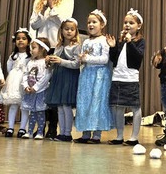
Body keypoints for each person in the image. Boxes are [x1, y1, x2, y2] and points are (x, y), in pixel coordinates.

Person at [29, 0, 74, 138]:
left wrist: (53, 7)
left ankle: (53, 127)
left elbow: (65, 22)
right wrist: (43, 10)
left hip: (58, 47)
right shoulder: (39, 1)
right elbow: (34, 25)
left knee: (53, 87)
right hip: (42, 47)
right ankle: (40, 125)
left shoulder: (67, 1)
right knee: (41, 86)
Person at [106, 9, 145, 146]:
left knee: (135, 107)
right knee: (117, 107)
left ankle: (134, 137)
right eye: (125, 22)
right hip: (117, 77)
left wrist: (130, 42)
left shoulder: (140, 41)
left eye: (131, 23)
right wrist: (112, 47)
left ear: (138, 26)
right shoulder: (120, 40)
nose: (127, 25)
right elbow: (113, 59)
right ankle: (119, 135)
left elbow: (138, 57)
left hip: (131, 79)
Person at [74, 10, 112, 144]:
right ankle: (85, 133)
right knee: (84, 103)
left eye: (94, 22)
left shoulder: (104, 40)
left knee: (97, 103)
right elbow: (84, 57)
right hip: (86, 75)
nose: (90, 24)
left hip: (99, 75)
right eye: (89, 22)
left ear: (102, 25)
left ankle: (96, 134)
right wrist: (81, 60)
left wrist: (87, 58)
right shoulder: (85, 42)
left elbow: (105, 59)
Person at [46, 18, 81, 142]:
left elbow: (76, 64)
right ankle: (61, 132)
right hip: (59, 77)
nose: (69, 32)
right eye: (66, 29)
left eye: (72, 29)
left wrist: (61, 61)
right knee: (60, 107)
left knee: (66, 106)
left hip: (69, 77)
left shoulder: (76, 46)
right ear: (61, 31)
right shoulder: (58, 46)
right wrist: (50, 62)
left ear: (76, 31)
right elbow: (56, 63)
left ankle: (67, 133)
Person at [0, 28, 31, 138]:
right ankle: (11, 127)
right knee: (13, 105)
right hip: (14, 81)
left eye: (23, 38)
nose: (20, 41)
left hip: (25, 81)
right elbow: (9, 68)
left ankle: (22, 128)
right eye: (18, 39)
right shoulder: (13, 56)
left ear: (28, 41)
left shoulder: (30, 56)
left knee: (25, 106)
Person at [19, 37, 53, 139]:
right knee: (32, 112)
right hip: (30, 91)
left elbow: (46, 76)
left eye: (33, 48)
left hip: (40, 91)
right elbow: (25, 75)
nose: (31, 50)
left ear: (42, 49)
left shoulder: (45, 62)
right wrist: (25, 86)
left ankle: (40, 132)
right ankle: (29, 132)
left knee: (40, 112)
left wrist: (36, 87)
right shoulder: (30, 62)